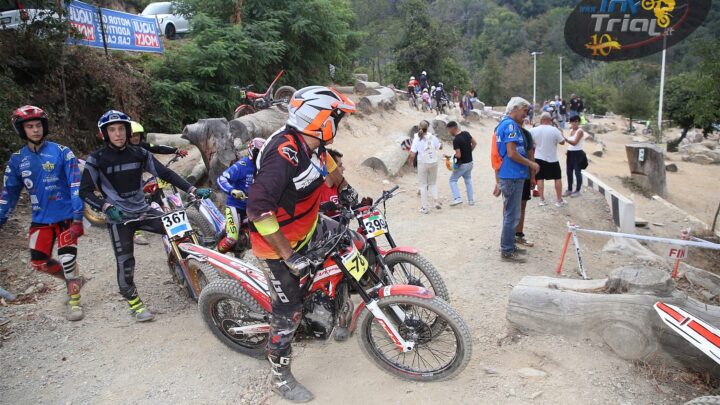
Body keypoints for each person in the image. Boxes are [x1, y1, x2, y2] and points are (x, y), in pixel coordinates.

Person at [246, 86, 359, 402]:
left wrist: (347, 190)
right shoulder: (283, 154)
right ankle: (279, 378)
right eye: (337, 117)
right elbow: (257, 210)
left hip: (309, 227)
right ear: (319, 119)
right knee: (289, 310)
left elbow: (329, 167)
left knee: (353, 244)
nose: (341, 123)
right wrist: (288, 256)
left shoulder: (314, 143)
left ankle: (340, 310)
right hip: (277, 245)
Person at [80, 110, 212, 322]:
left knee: (182, 233)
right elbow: (84, 191)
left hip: (144, 211)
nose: (118, 134)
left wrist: (193, 190)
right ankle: (135, 303)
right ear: (104, 134)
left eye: (121, 129)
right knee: (126, 261)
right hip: (119, 218)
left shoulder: (140, 153)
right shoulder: (96, 159)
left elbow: (166, 174)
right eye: (112, 130)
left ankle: (197, 273)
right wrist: (105, 207)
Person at [0, 105, 86, 321]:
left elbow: (76, 184)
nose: (35, 130)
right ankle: (72, 279)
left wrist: (78, 215)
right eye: (30, 127)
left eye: (38, 125)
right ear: (22, 130)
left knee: (67, 258)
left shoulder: (63, 152)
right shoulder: (17, 160)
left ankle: (74, 302)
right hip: (40, 218)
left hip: (67, 215)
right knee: (39, 262)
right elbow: (8, 194)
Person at [127, 120, 189, 245]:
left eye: (137, 135)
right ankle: (135, 232)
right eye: (132, 135)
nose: (135, 138)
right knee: (133, 199)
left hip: (139, 175)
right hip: (127, 180)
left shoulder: (143, 146)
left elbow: (158, 148)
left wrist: (175, 150)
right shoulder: (124, 151)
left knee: (153, 189)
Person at [495, 97, 539, 262]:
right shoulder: (510, 126)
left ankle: (510, 246)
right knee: (512, 215)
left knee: (513, 214)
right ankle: (507, 250)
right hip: (512, 175)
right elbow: (512, 153)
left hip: (512, 175)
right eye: (524, 111)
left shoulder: (506, 125)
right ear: (515, 108)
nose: (525, 115)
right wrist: (531, 164)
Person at [215, 137, 266, 253]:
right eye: (259, 153)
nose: (262, 156)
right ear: (253, 152)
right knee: (231, 238)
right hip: (236, 206)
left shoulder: (265, 168)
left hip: (254, 206)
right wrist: (232, 191)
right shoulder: (242, 165)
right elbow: (222, 178)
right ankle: (215, 253)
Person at [531, 112, 567, 207]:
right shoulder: (555, 130)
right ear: (549, 120)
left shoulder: (534, 130)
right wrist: (561, 134)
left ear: (541, 120)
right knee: (557, 178)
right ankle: (559, 200)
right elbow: (562, 142)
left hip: (539, 157)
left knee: (540, 178)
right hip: (552, 158)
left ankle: (542, 199)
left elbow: (530, 143)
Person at [408, 120, 442, 214]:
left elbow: (413, 154)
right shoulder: (433, 137)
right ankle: (436, 201)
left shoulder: (416, 138)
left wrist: (410, 162)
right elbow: (439, 147)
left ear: (419, 127)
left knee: (423, 185)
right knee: (433, 183)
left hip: (422, 162)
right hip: (433, 162)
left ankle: (424, 208)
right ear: (428, 127)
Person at [515, 122, 536, 248]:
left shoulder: (527, 134)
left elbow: (531, 156)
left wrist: (533, 176)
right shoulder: (505, 130)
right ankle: (509, 236)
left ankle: (518, 234)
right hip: (511, 176)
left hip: (525, 175)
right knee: (510, 207)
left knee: (522, 206)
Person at [446, 121, 475, 206]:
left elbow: (458, 155)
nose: (449, 132)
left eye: (449, 130)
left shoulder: (456, 140)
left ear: (453, 128)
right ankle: (471, 200)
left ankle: (457, 198)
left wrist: (450, 158)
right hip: (470, 162)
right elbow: (475, 143)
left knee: (452, 180)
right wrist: (469, 152)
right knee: (468, 181)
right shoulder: (466, 133)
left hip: (462, 164)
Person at [563, 115, 587, 198]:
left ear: (578, 122)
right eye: (572, 121)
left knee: (577, 172)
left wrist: (565, 139)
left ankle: (578, 190)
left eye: (576, 121)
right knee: (569, 171)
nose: (574, 123)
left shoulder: (580, 131)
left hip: (578, 153)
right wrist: (568, 149)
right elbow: (571, 143)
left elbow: (575, 142)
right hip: (571, 152)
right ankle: (569, 189)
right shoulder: (571, 130)